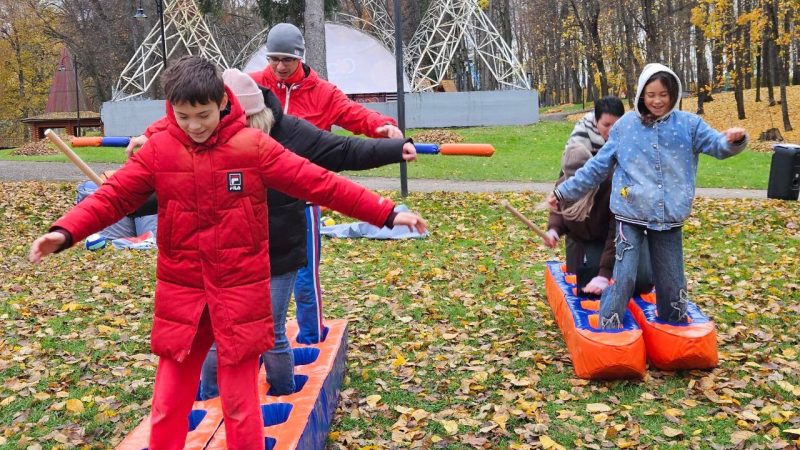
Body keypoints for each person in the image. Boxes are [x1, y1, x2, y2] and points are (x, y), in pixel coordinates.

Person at [29, 55, 427, 450]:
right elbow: (113, 197)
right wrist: (65, 232)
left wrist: (387, 212)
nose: (194, 126)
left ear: (222, 102)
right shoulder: (160, 149)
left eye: (202, 114)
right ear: (172, 109)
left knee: (240, 404)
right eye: (183, 116)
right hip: (183, 294)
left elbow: (320, 183)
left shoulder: (252, 146)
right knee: (168, 404)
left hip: (239, 293)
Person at [197, 68, 417, 398]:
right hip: (228, 253)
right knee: (220, 332)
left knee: (269, 332)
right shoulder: (209, 137)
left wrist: (392, 149)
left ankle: (283, 394)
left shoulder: (286, 134)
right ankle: (208, 400)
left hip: (280, 249)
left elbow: (339, 155)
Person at [547, 63, 747, 329]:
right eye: (651, 94)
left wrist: (733, 140)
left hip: (669, 216)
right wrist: (563, 193)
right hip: (629, 215)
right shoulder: (626, 126)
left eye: (663, 94)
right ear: (641, 94)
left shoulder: (688, 125)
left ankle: (673, 321)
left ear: (673, 94)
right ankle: (609, 323)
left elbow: (718, 146)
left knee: (672, 278)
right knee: (623, 276)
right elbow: (595, 168)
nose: (657, 100)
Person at [250, 22, 404, 345]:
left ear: (301, 58)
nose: (279, 67)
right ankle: (262, 340)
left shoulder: (322, 93)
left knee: (305, 275)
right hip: (260, 198)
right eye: (273, 59)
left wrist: (382, 127)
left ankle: (310, 338)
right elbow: (207, 108)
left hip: (304, 196)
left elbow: (354, 114)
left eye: (287, 60)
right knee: (255, 274)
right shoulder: (253, 89)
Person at [544, 96, 653, 295]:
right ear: (596, 122)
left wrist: (605, 273)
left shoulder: (631, 140)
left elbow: (617, 228)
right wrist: (554, 229)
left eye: (616, 124)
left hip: (625, 215)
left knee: (642, 281)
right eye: (606, 124)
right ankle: (580, 261)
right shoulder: (581, 141)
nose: (611, 130)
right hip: (591, 229)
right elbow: (567, 188)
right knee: (585, 277)